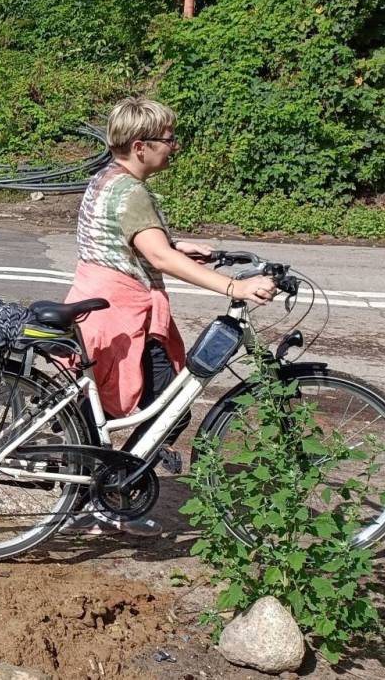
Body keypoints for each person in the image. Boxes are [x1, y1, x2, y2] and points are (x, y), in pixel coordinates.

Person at [63, 97, 276, 535]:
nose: (174, 146)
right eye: (168, 139)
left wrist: (174, 246)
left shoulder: (106, 178)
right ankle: (108, 494)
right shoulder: (132, 193)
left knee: (96, 410)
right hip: (123, 316)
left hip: (97, 305)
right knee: (168, 409)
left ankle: (94, 494)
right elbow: (157, 257)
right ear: (140, 146)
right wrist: (235, 287)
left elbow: (125, 241)